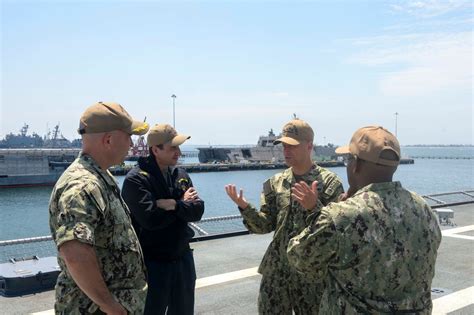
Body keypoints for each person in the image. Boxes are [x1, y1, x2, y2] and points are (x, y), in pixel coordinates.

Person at [287, 126, 442, 314]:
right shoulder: (424, 209)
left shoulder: (341, 216)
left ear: (356, 165)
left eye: (348, 159)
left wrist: (320, 212)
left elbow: (298, 256)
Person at [225, 119, 344, 314]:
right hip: (277, 272)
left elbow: (335, 232)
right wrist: (245, 207)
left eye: (292, 146)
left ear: (309, 146)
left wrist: (315, 206)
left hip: (312, 275)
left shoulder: (330, 184)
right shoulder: (275, 183)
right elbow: (265, 225)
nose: (286, 151)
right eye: (284, 146)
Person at [49, 101, 149, 314]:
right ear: (109, 140)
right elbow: (74, 252)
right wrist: (111, 307)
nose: (131, 144)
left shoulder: (100, 177)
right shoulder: (82, 186)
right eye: (128, 136)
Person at [122, 123, 205, 315]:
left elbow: (198, 210)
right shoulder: (136, 179)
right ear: (155, 150)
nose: (178, 152)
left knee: (183, 311)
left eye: (178, 147)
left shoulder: (180, 175)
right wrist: (182, 205)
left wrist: (173, 204)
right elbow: (150, 220)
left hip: (182, 258)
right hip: (153, 263)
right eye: (173, 147)